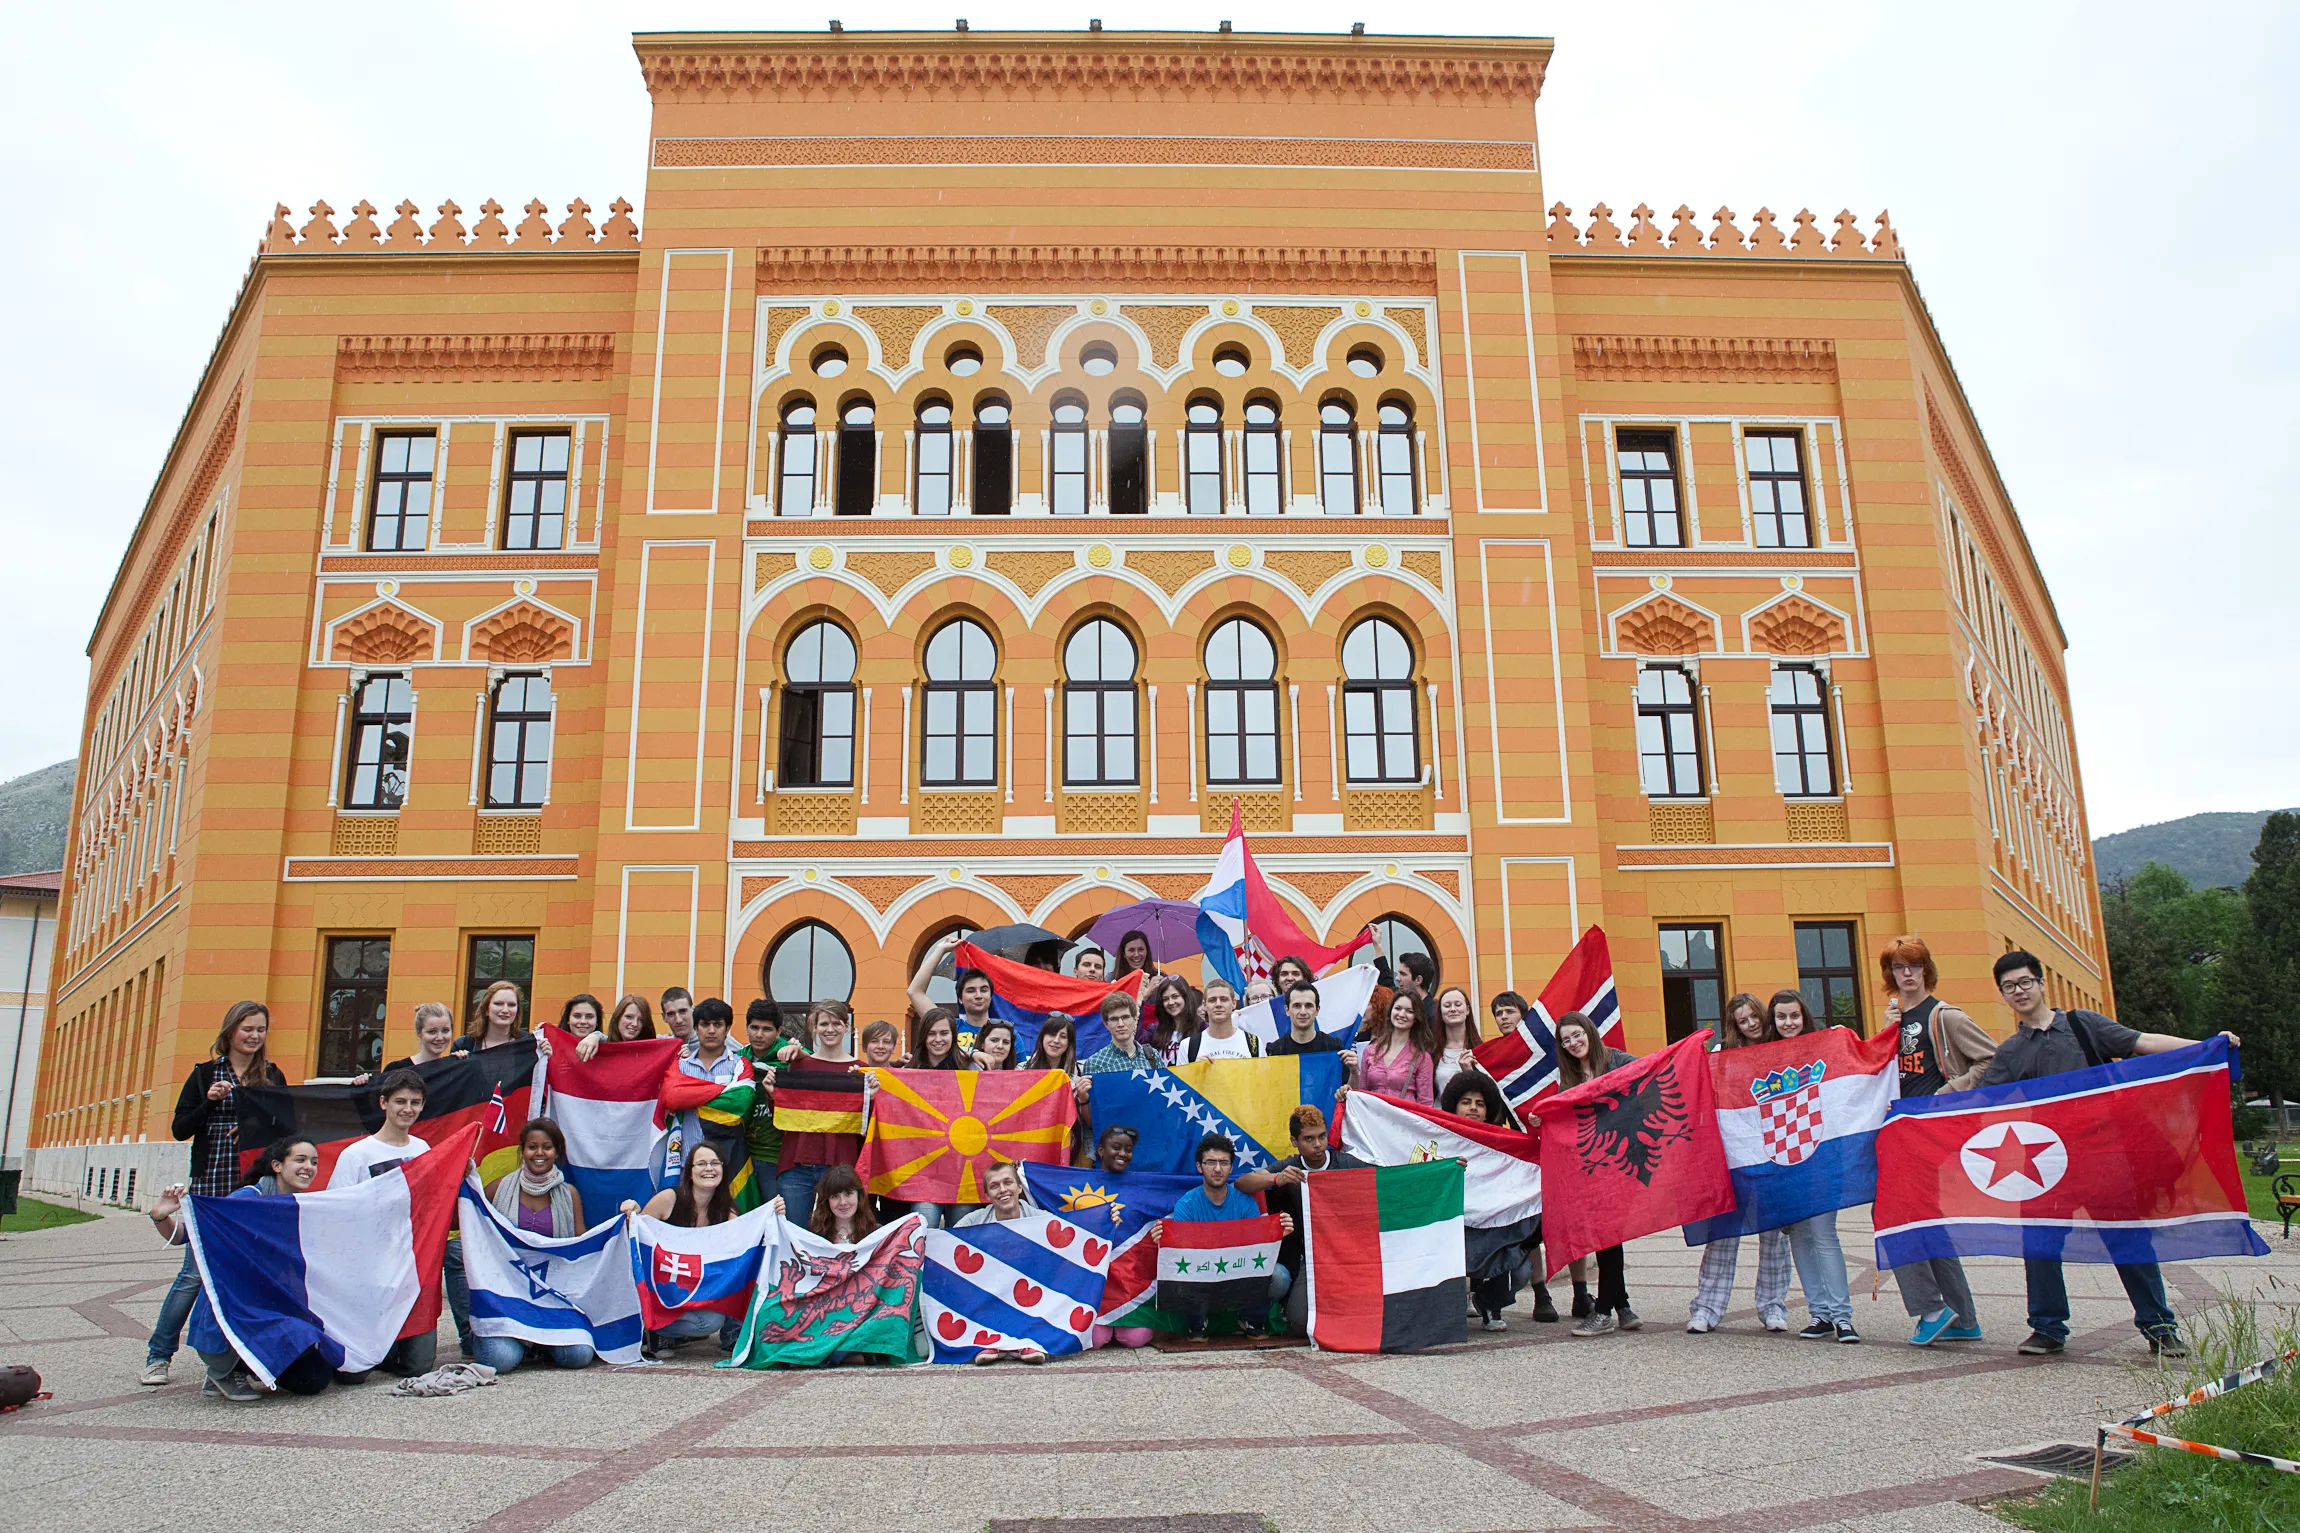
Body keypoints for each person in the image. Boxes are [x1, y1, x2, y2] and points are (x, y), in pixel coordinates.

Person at [1981, 950, 2230, 1359]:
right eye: (2009, 987)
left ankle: (2159, 1327)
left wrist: (2207, 1047)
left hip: (2105, 1155)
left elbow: (2143, 1042)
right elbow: (1979, 1103)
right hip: (2045, 1164)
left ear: (2042, 984)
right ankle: (2046, 1328)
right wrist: (1909, 1112)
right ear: (2003, 996)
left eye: (2025, 982)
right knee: (2039, 1245)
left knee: (2129, 1242)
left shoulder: (2083, 1025)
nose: (2018, 991)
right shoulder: (2010, 1052)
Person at [146, 1001, 289, 1385]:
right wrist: (209, 1103)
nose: (254, 1036)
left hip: (256, 1187)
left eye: (260, 1029)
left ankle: (236, 1360)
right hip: (212, 1181)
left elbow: (289, 1130)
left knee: (249, 1274)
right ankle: (158, 1355)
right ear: (230, 1032)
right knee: (193, 1273)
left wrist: (255, 1129)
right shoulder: (204, 1074)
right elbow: (180, 1128)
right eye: (247, 1029)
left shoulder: (272, 1075)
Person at [148, 1135, 338, 1401]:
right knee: (311, 1379)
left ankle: (242, 1363)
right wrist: (160, 1216)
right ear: (277, 1165)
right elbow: (184, 1236)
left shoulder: (297, 1204)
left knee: (319, 1374)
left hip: (267, 1306)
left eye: (314, 1162)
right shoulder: (247, 1198)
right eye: (300, 1159)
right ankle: (222, 1368)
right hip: (235, 1307)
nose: (309, 1166)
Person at [1874, 936, 1995, 1346]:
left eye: (1913, 966)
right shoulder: (1895, 1019)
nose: (1906, 974)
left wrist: (1951, 1089)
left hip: (1933, 1132)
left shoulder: (1946, 1017)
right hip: (1902, 1131)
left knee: (1896, 1218)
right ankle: (1963, 1319)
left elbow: (1992, 1058)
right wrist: (1885, 1035)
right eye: (1898, 968)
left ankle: (1931, 1306)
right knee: (1932, 1225)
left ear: (1926, 969)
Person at [1686, 993, 1793, 1336]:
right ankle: (1707, 1306)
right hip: (1735, 1156)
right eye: (1742, 1021)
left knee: (1774, 1236)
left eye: (1754, 1017)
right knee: (1723, 1234)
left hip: (1775, 1152)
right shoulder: (1722, 1055)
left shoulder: (1783, 1049)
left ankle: (1773, 1306)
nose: (1750, 1025)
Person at [1761, 990, 1862, 1344]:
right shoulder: (1764, 1058)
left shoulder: (1824, 1046)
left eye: (1794, 1016)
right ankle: (1819, 1314)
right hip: (1785, 1161)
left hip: (1821, 1159)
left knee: (1823, 1234)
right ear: (1772, 1022)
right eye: (1781, 1017)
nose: (1788, 1023)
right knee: (1800, 1238)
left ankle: (1843, 1316)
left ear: (1805, 1016)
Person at [475, 1117, 596, 1374]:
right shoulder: (499, 1189)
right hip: (507, 1300)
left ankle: (540, 1343)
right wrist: (464, 1182)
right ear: (523, 1151)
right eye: (532, 1147)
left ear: (557, 1153)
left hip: (550, 1298)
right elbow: (468, 1223)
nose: (539, 1153)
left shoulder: (569, 1194)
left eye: (547, 1147)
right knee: (501, 1359)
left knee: (579, 1355)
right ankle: (519, 1341)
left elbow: (580, 1248)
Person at [1235, 1107, 1363, 1336]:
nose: (1317, 1145)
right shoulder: (1291, 1167)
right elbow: (1242, 1183)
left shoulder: (1345, 1163)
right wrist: (1276, 1178)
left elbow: (1387, 1178)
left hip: (1349, 1256)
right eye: (1308, 1139)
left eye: (1322, 1136)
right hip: (1311, 1259)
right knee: (1299, 1322)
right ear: (1294, 1141)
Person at [1161, 1133, 1294, 1340]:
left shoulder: (1246, 1203)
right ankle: (1197, 1323)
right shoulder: (1186, 1205)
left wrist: (1277, 1233)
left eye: (1224, 1162)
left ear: (1231, 1168)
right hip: (1202, 1274)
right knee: (1177, 1276)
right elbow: (1182, 1254)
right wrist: (1162, 1240)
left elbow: (1257, 1249)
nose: (1217, 1169)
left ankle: (1251, 1319)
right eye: (1210, 1162)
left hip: (1239, 1274)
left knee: (1279, 1276)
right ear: (1199, 1166)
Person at [1558, 1012, 1641, 1337]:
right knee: (1608, 1235)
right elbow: (1568, 1119)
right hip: (1593, 1167)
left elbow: (1651, 1075)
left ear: (1589, 1032)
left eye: (1577, 1035)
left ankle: (1604, 1310)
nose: (1573, 1043)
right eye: (1566, 1040)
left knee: (1610, 1235)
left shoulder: (1617, 1061)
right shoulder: (1571, 1076)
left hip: (1623, 1160)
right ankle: (1623, 1306)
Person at [625, 1142, 752, 1355]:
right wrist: (632, 1212)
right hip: (662, 1290)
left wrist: (773, 1214)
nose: (709, 1168)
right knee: (705, 1322)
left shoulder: (728, 1211)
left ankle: (731, 1335)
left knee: (712, 1319)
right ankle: (655, 1328)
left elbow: (742, 1253)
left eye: (714, 1163)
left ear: (723, 1170)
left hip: (696, 1291)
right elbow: (638, 1238)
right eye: (701, 1163)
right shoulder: (669, 1199)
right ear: (690, 1173)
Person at [1439, 1073, 1539, 1330]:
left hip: (1493, 1225)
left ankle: (1489, 1304)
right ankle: (1449, 1305)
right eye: (1466, 1101)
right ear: (1454, 1105)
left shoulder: (1502, 1142)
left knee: (1520, 1272)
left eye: (1480, 1103)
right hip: (1453, 1226)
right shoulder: (1439, 1137)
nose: (1473, 1107)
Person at [775, 1002, 864, 1227]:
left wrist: (870, 1092)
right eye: (823, 1023)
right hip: (797, 1165)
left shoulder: (861, 1070)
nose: (830, 1029)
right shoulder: (796, 1065)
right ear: (814, 1028)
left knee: (839, 1236)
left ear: (847, 1027)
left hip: (841, 1166)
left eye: (836, 1023)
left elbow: (867, 1123)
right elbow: (782, 1112)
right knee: (794, 1235)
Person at [954, 1162, 1051, 1364]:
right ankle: (989, 1341)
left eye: (1008, 1182)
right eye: (995, 1186)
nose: (1003, 1190)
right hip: (989, 1297)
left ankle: (1027, 1342)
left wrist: (1105, 1219)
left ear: (1019, 1188)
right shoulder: (973, 1222)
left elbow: (1075, 1236)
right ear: (987, 1196)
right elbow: (945, 1247)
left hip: (1030, 1297)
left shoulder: (1042, 1219)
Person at [657, 997, 750, 1191]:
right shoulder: (679, 1065)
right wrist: (722, 1093)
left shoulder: (740, 1064)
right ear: (696, 1028)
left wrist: (690, 1095)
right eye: (705, 1024)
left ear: (727, 1028)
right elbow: (672, 1097)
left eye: (718, 1024)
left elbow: (741, 1102)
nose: (711, 1031)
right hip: (686, 1164)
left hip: (728, 1166)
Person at [328, 1069, 431, 1187]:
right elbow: (338, 1202)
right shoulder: (355, 1155)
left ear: (422, 1105)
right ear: (383, 1102)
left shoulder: (423, 1148)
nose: (408, 1109)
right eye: (400, 1101)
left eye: (415, 1103)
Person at [907, 932, 996, 1051]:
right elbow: (915, 992)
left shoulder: (1006, 1034)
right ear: (960, 998)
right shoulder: (947, 1027)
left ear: (991, 996)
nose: (978, 995)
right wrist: (940, 950)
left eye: (984, 990)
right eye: (971, 990)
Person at [1357, 990, 1437, 1104]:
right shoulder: (1370, 1050)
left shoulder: (1422, 1057)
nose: (1401, 1014)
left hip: (1404, 1120)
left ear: (1416, 1018)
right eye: (1398, 1008)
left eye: (1409, 1011)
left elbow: (1426, 1102)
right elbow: (1362, 1093)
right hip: (1372, 1118)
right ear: (1390, 1012)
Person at [1268, 981, 1358, 1081]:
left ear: (1317, 1010)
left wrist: (1354, 1072)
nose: (1303, 1012)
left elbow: (1348, 1092)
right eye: (1297, 1006)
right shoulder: (1274, 1051)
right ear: (1287, 1010)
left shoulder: (1334, 1047)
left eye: (1308, 1006)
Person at [1185, 978, 1259, 1060]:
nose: (1218, 1004)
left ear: (1234, 1003)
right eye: (1212, 1000)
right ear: (1204, 1005)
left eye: (1224, 999)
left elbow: (1264, 1073)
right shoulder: (1188, 1046)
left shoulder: (1254, 1043)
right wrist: (1194, 1070)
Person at [1080, 993, 1156, 1074]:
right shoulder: (1094, 1064)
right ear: (1106, 1024)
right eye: (1114, 1019)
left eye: (1125, 1017)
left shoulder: (1152, 1055)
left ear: (1135, 1018)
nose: (1120, 1024)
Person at [1432, 986, 1483, 1095]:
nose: (1453, 1009)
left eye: (1458, 1004)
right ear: (1440, 1013)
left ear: (1467, 1010)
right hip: (1438, 1111)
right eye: (1447, 1005)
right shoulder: (1431, 1052)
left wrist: (1469, 1073)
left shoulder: (1481, 1050)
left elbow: (1486, 1092)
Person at [1139, 975, 1198, 1062]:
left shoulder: (1202, 1028)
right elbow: (1137, 1041)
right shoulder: (1155, 1029)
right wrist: (1143, 998)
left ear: (1186, 997)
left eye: (1175, 996)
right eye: (1165, 999)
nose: (1170, 1002)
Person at [384, 1002, 458, 1071]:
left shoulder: (454, 1068)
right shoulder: (396, 1069)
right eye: (432, 1032)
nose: (440, 1037)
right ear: (419, 1032)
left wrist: (463, 1060)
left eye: (445, 1030)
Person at [460, 980, 526, 1052]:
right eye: (498, 1004)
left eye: (511, 1005)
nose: (505, 1010)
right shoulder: (464, 1045)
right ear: (486, 1009)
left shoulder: (529, 1044)